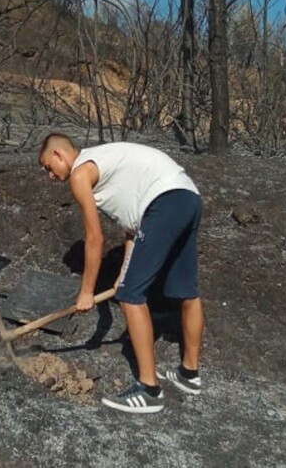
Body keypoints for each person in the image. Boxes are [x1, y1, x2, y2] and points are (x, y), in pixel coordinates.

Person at [38, 133, 205, 413]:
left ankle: (149, 391)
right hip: (187, 199)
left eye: (48, 167)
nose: (49, 176)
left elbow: (95, 239)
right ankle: (189, 374)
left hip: (163, 202)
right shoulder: (106, 163)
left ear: (59, 155)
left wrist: (87, 292)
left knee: (131, 295)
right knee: (186, 292)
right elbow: (135, 228)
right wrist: (125, 272)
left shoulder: (81, 173)